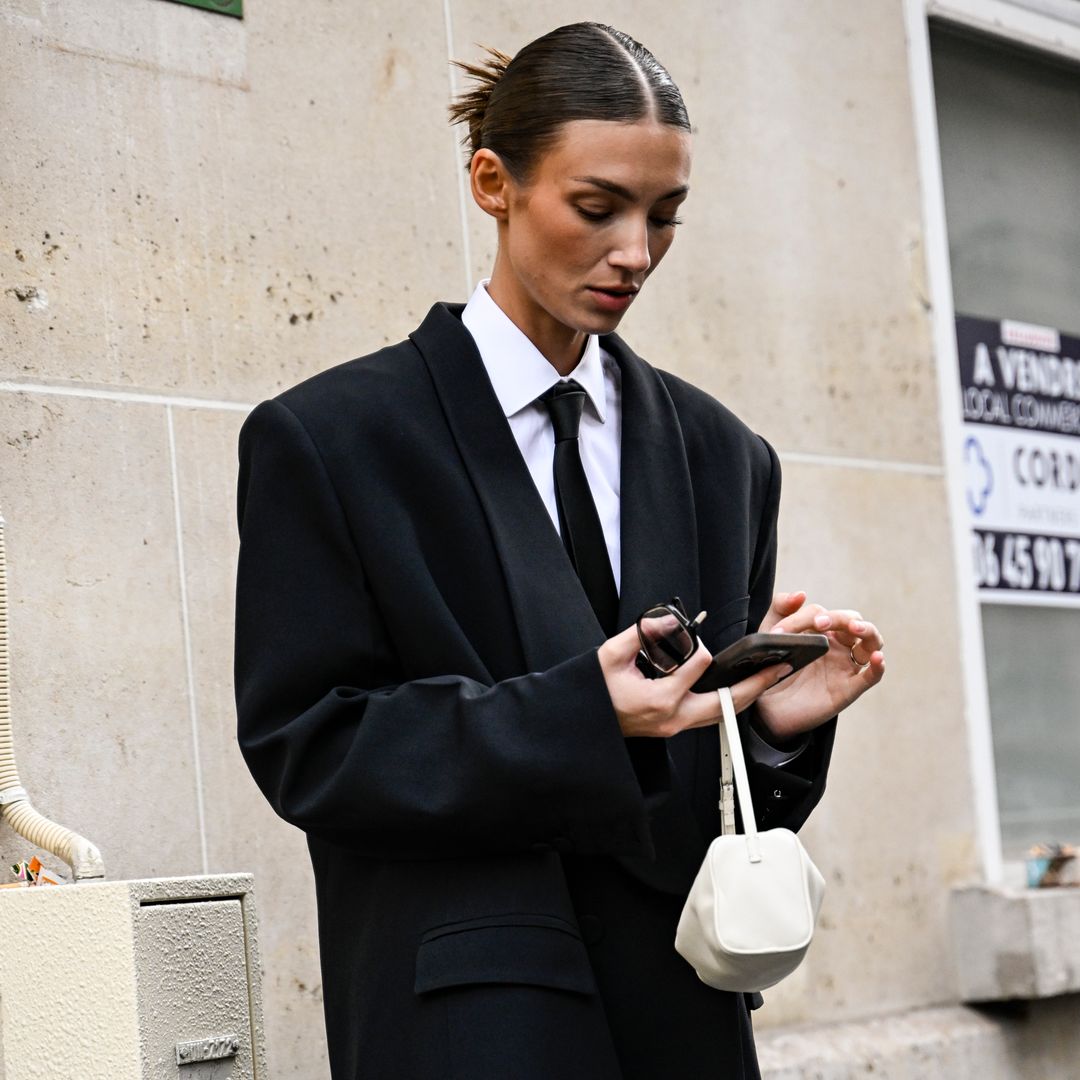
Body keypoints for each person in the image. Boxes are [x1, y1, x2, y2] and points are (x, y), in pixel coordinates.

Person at [234, 22, 885, 1080]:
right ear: (494, 182)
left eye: (664, 215)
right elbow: (310, 749)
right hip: (470, 1032)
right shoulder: (333, 438)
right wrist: (580, 713)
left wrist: (765, 731)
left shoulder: (725, 456)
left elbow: (690, 814)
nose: (635, 251)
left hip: (683, 1029)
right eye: (597, 208)